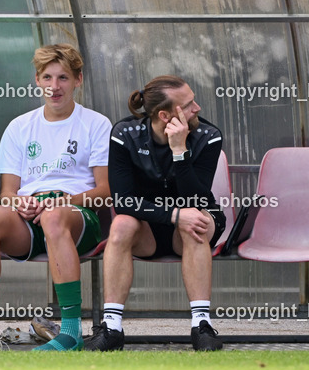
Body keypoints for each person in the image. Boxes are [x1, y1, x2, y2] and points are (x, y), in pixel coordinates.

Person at [0, 44, 110, 352]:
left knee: (54, 216)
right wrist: (19, 203)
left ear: (78, 80)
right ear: (37, 79)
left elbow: (105, 192)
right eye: (47, 77)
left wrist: (59, 201)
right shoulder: (20, 126)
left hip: (76, 216)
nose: (54, 87)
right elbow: (6, 194)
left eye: (63, 78)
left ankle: (71, 333)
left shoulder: (96, 124)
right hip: (29, 220)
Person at [85, 75, 226, 352]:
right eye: (188, 105)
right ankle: (111, 328)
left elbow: (196, 199)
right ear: (164, 115)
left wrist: (179, 151)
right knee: (121, 225)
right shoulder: (125, 134)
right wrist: (174, 215)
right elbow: (123, 202)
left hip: (191, 223)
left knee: (195, 221)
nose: (197, 108)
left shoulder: (209, 136)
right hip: (145, 226)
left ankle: (201, 325)